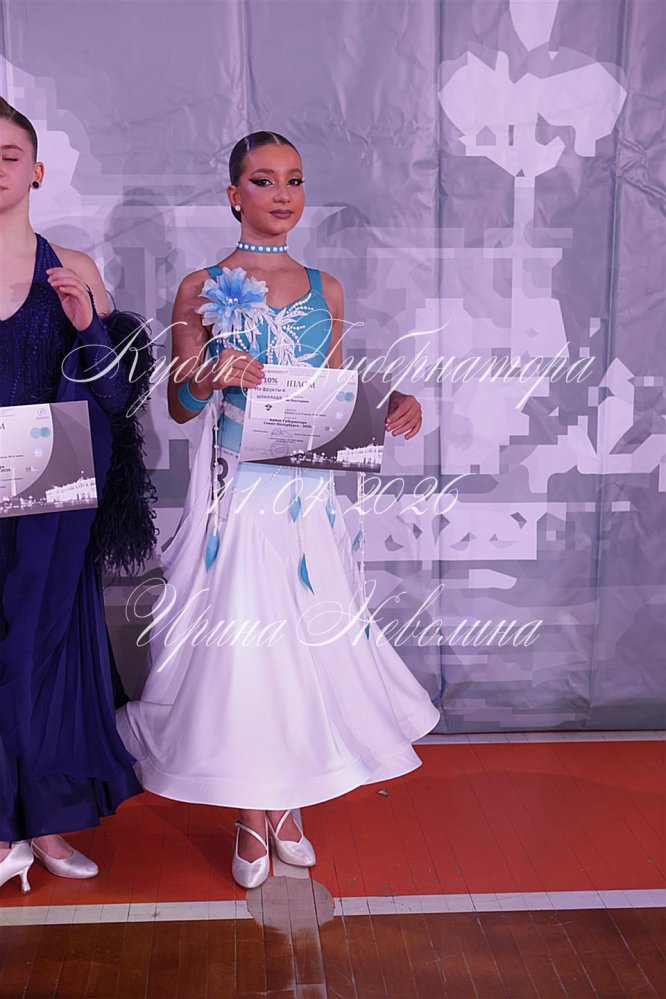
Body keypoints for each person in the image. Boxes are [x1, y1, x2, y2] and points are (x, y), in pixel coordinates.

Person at [116, 130, 440, 889]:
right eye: (263, 180)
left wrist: (390, 400)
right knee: (243, 648)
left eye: (293, 179)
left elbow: (331, 392)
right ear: (235, 195)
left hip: (304, 496)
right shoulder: (201, 285)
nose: (283, 193)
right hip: (236, 494)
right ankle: (252, 808)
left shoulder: (327, 288)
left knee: (302, 643)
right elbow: (180, 403)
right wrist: (211, 372)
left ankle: (288, 798)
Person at [0, 99, 157, 893]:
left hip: (49, 481)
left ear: (36, 169)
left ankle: (44, 820)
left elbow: (116, 397)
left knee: (42, 650)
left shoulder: (75, 266)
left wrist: (88, 324)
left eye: (7, 155)